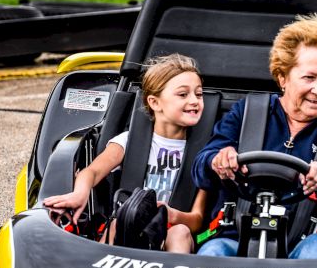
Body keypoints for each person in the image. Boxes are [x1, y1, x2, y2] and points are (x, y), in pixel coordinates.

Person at [192, 14, 317, 258]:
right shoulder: (246, 114)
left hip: (310, 241)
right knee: (211, 255)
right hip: (237, 235)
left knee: (316, 257)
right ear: (283, 77)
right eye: (309, 77)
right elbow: (200, 171)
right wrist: (216, 161)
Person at [44, 53, 207, 253]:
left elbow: (198, 220)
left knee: (180, 232)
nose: (194, 101)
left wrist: (170, 214)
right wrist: (80, 194)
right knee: (117, 222)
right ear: (155, 103)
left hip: (172, 232)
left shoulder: (204, 153)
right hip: (128, 227)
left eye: (198, 94)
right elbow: (92, 172)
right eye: (183, 94)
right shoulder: (129, 141)